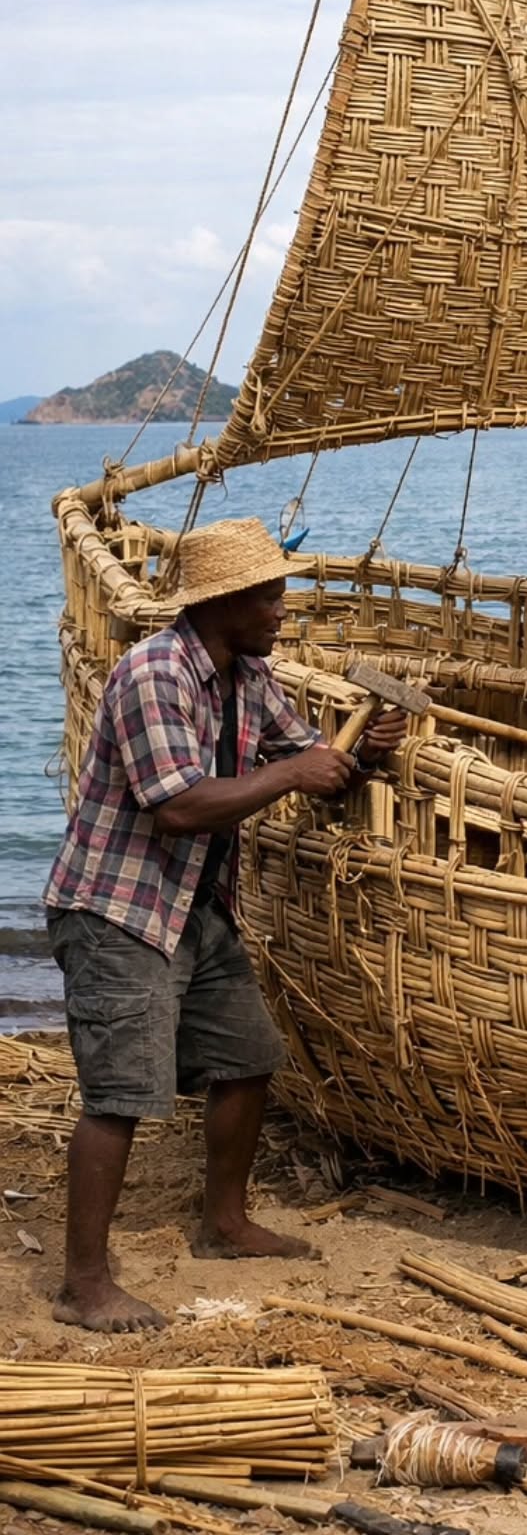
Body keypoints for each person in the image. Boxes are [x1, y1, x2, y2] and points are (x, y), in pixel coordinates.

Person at [44, 517, 409, 1332]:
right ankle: (84, 1284)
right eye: (271, 595)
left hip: (195, 905)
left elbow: (313, 760)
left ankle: (224, 1223)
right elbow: (176, 806)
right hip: (118, 908)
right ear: (225, 601)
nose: (284, 609)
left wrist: (366, 751)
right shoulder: (154, 674)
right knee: (120, 1096)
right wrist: (291, 770)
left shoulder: (245, 675)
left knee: (247, 1059)